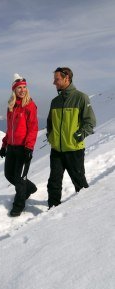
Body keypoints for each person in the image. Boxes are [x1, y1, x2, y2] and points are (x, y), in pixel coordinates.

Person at [46, 67, 96, 209]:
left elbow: (90, 121)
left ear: (66, 78)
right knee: (54, 182)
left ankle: (85, 210)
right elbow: (49, 123)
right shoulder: (55, 101)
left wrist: (79, 136)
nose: (53, 82)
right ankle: (52, 208)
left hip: (74, 149)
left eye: (57, 79)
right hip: (56, 149)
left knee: (79, 181)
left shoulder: (81, 97)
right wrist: (51, 136)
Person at [0, 73, 38, 217]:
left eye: (24, 87)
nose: (22, 90)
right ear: (14, 90)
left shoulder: (30, 106)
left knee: (19, 178)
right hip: (12, 147)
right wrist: (4, 145)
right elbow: (10, 129)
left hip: (23, 148)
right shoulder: (12, 106)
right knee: (9, 175)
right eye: (19, 88)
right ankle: (30, 188)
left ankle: (19, 204)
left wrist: (29, 147)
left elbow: (33, 128)